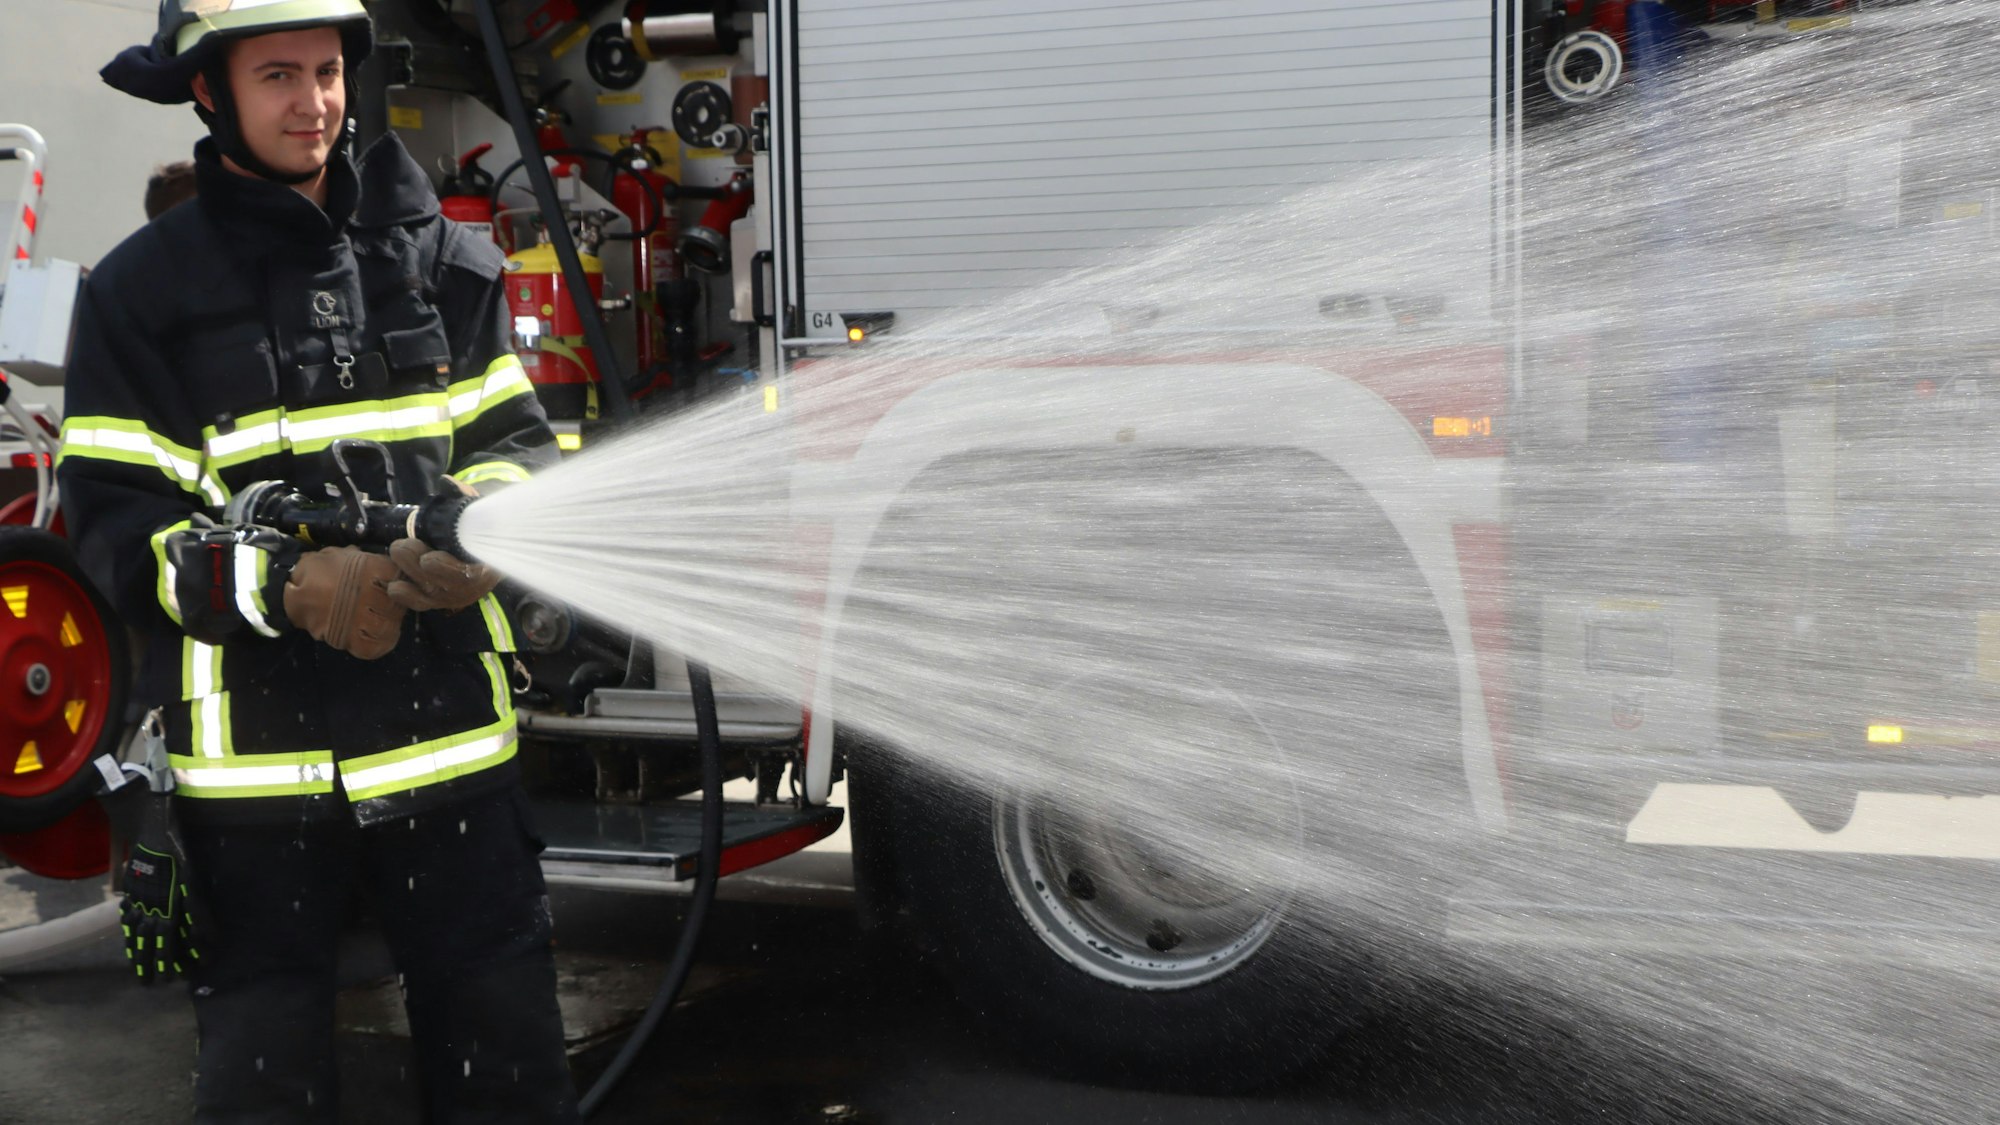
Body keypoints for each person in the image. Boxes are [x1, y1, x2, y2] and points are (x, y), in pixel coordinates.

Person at [62, 2, 577, 1119]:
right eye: (278, 76)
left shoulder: (442, 261)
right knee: (267, 1082)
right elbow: (113, 525)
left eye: (328, 72)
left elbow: (521, 444)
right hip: (259, 788)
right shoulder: (140, 293)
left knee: (508, 1069)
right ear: (210, 92)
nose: (313, 104)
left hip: (450, 755)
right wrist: (278, 584)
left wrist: (479, 534)